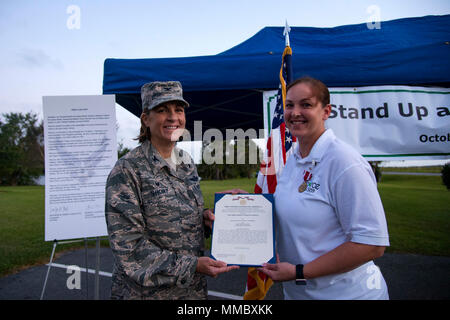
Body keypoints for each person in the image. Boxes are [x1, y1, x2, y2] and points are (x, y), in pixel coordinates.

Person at [258, 77, 390, 299]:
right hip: (300, 295)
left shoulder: (345, 162)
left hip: (348, 295)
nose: (295, 112)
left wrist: (300, 272)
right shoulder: (294, 159)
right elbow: (290, 210)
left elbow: (371, 244)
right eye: (289, 105)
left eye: (306, 105)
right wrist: (246, 205)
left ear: (326, 111)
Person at [105, 81, 238, 300]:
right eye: (162, 110)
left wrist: (206, 217)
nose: (173, 117)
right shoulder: (127, 170)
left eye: (179, 109)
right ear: (146, 119)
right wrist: (193, 265)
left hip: (190, 293)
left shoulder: (185, 162)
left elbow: (178, 215)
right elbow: (129, 248)